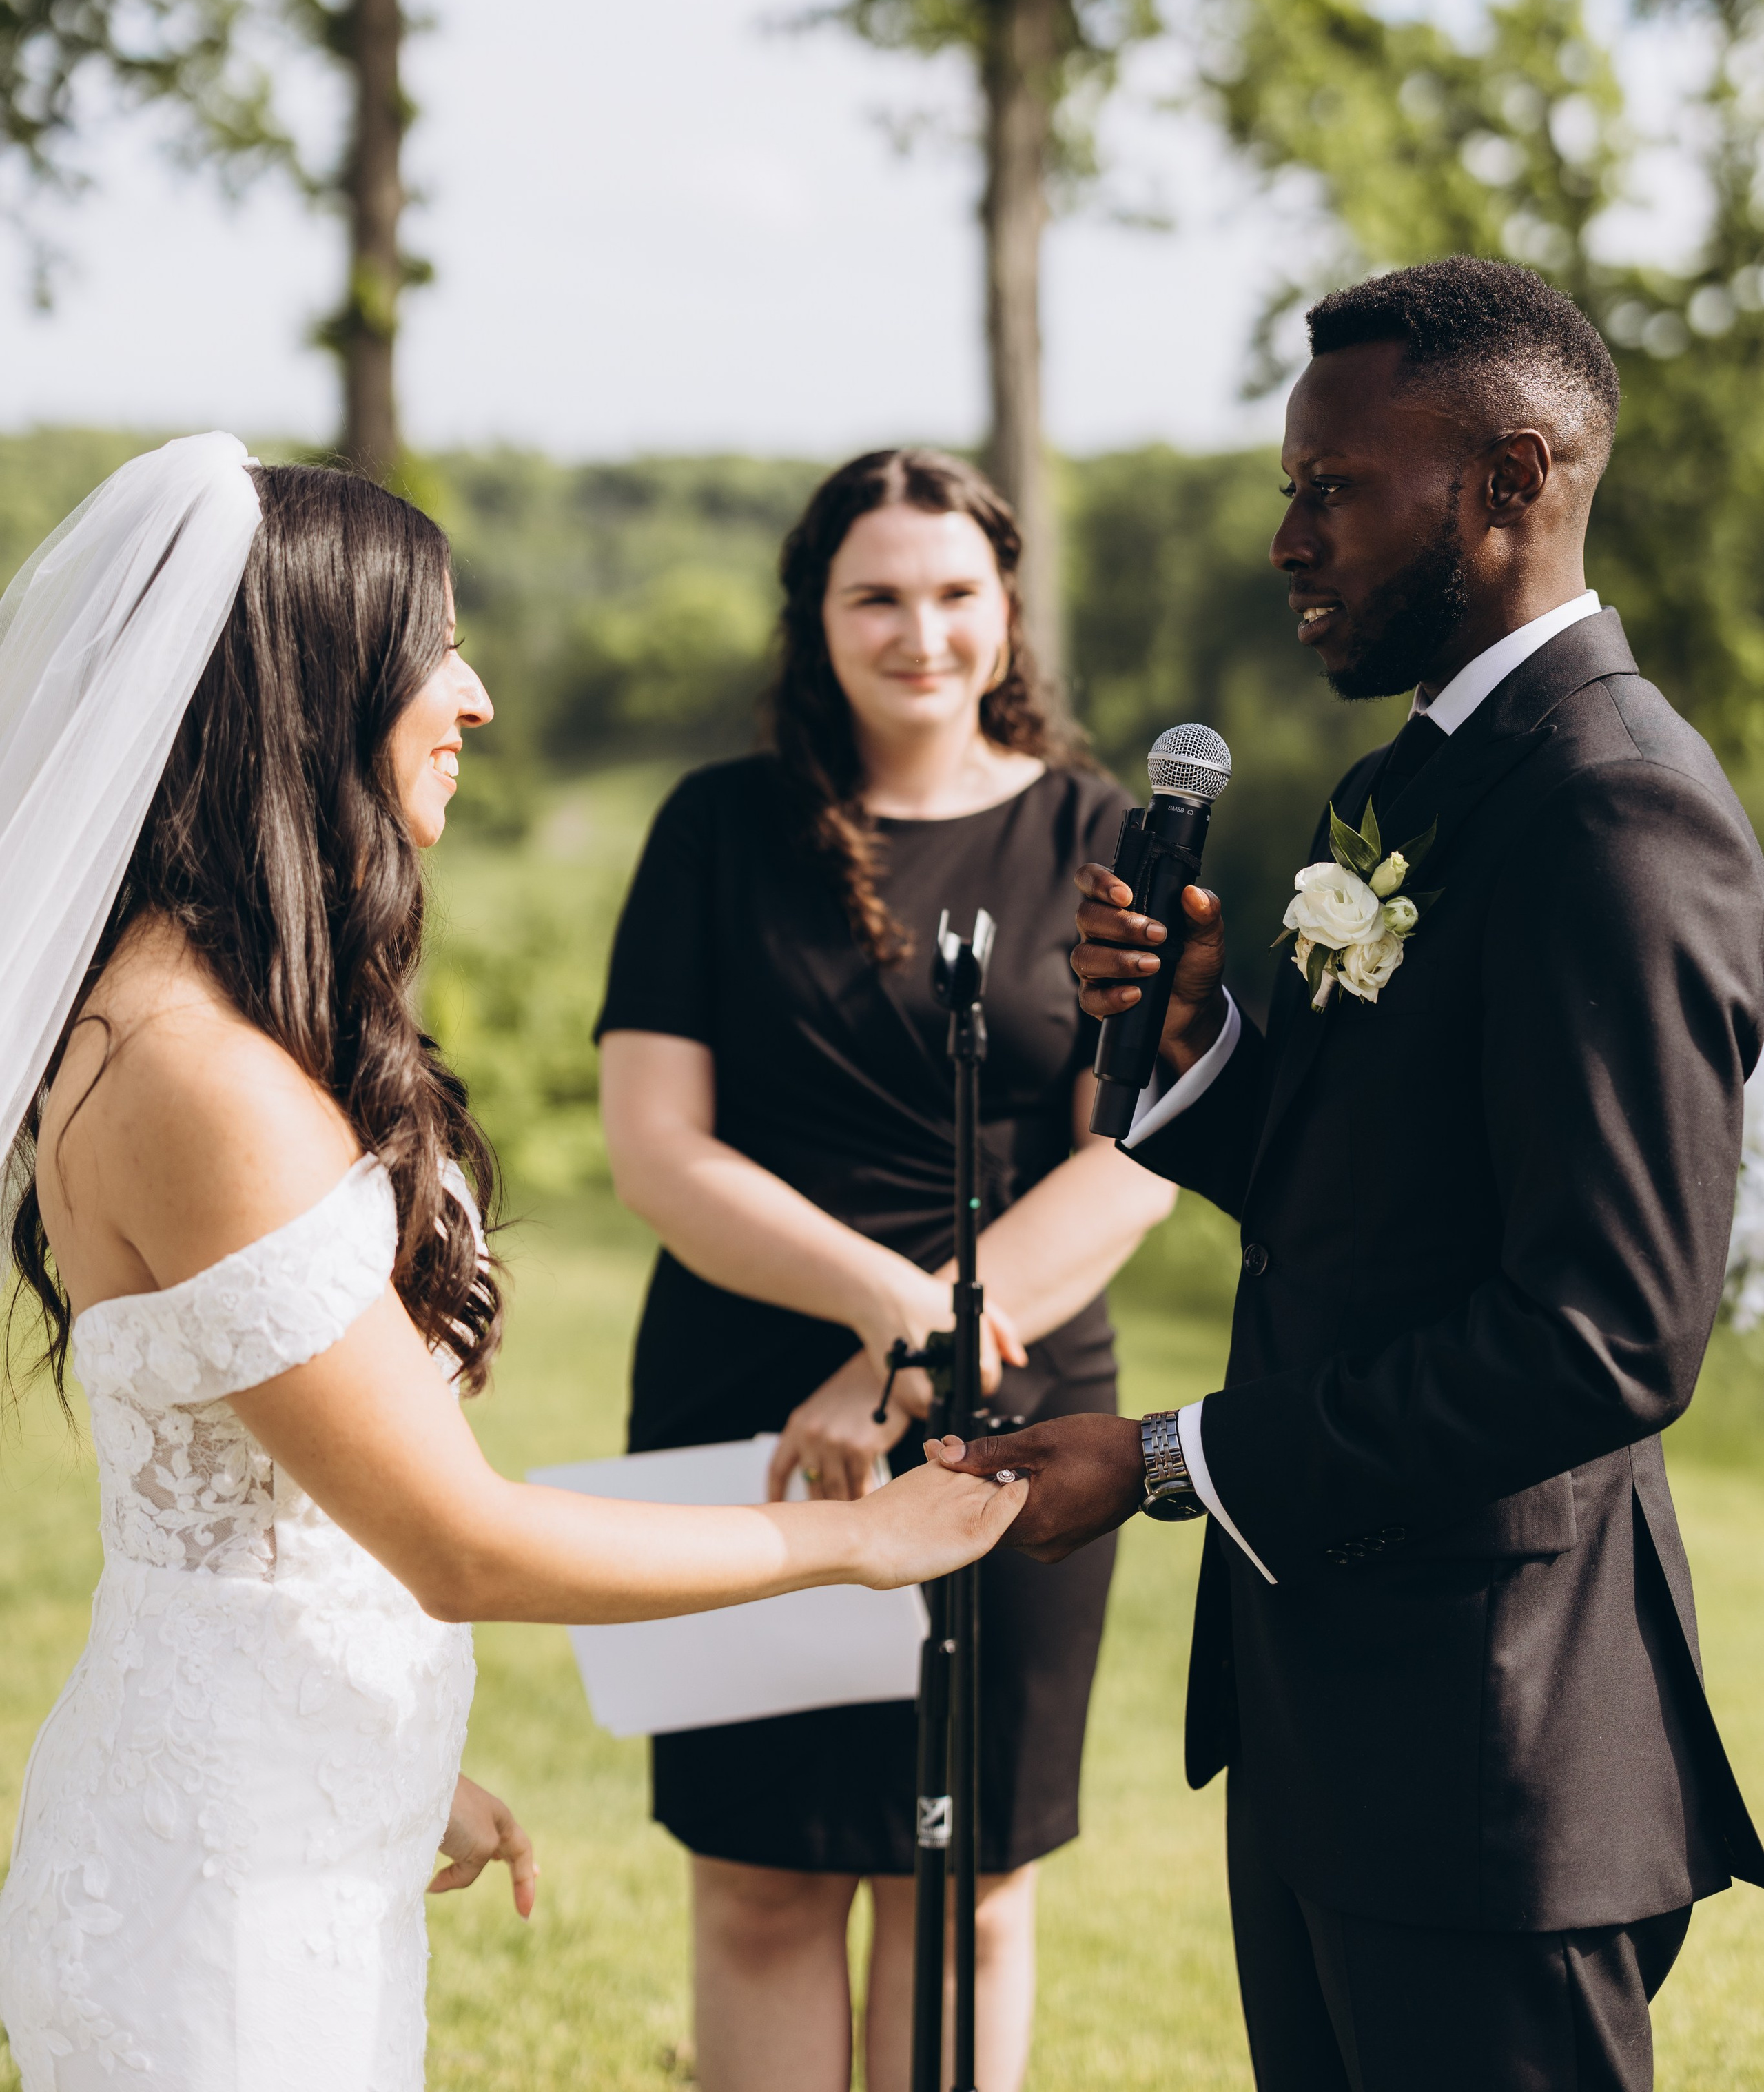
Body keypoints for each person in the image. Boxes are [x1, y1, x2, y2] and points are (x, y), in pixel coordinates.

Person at [0, 436, 1023, 2092]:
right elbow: (459, 1541)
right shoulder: (196, 1072)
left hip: (271, 1818)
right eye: (436, 649)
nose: (472, 698)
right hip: (222, 1908)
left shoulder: (200, 1013)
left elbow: (275, 1508)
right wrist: (854, 1542)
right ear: (308, 685)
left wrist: (387, 1764)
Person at [937, 258, 1764, 2092]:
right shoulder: (1417, 785)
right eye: (1286, 489)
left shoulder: (1615, 810)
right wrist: (1196, 1047)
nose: (1286, 540)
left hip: (1497, 1741)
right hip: (1341, 1710)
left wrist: (1169, 1460)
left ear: (1509, 479)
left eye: (1333, 489)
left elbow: (1607, 1332)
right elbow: (1380, 1207)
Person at [597, 447, 1174, 2092]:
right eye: (876, 597)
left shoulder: (1107, 839)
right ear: (815, 615)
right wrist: (888, 1313)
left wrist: (905, 1368)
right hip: (742, 1387)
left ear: (1006, 608)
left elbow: (1128, 1160)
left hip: (1014, 1404)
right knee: (757, 1882)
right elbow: (656, 1148)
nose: (919, 633)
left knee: (969, 1889)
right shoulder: (714, 828)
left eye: (953, 593)